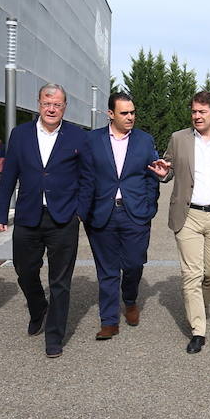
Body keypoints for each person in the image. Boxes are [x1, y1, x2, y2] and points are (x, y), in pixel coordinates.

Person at [0, 83, 90, 358]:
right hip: (28, 216)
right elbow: (9, 175)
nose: (51, 108)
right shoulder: (20, 135)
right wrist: (1, 212)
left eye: (57, 104)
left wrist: (80, 210)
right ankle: (38, 308)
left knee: (60, 281)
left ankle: (54, 335)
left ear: (64, 107)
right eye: (47, 103)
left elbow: (87, 177)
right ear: (38, 104)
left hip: (63, 219)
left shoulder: (77, 136)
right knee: (24, 271)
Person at [82, 92, 171, 340]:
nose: (130, 117)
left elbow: (153, 174)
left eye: (132, 112)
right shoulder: (93, 140)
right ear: (110, 114)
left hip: (135, 214)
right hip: (102, 214)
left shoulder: (144, 140)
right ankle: (109, 321)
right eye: (124, 113)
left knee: (133, 264)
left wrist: (149, 206)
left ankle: (130, 299)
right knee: (107, 270)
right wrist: (84, 211)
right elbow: (85, 176)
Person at [162, 91, 210, 354]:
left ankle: (198, 303)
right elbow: (168, 167)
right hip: (189, 216)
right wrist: (164, 173)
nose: (196, 116)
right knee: (191, 274)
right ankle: (198, 329)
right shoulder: (179, 139)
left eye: (202, 112)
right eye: (194, 111)